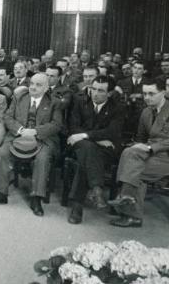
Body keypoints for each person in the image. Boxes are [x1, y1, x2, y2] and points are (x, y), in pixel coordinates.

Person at [0, 73, 64, 217]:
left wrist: (34, 131)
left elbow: (56, 125)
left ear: (46, 87)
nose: (33, 87)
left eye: (38, 85)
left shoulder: (54, 102)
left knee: (42, 158)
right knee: (2, 152)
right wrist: (20, 130)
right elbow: (8, 117)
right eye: (32, 84)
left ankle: (36, 197)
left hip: (42, 139)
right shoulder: (19, 98)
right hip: (18, 135)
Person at [108, 77, 169, 227]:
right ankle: (128, 202)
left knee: (133, 170)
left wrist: (149, 148)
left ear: (163, 92)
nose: (147, 97)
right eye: (144, 94)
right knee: (129, 153)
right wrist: (139, 146)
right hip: (148, 155)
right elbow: (141, 137)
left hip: (165, 156)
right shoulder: (146, 112)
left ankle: (127, 204)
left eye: (151, 93)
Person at [66, 76, 126, 224]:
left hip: (103, 149)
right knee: (89, 149)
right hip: (81, 144)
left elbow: (113, 131)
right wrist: (94, 138)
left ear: (110, 93)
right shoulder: (80, 102)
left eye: (101, 90)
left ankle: (77, 206)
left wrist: (86, 135)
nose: (95, 93)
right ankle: (96, 188)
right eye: (93, 89)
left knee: (85, 161)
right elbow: (73, 126)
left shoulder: (118, 108)